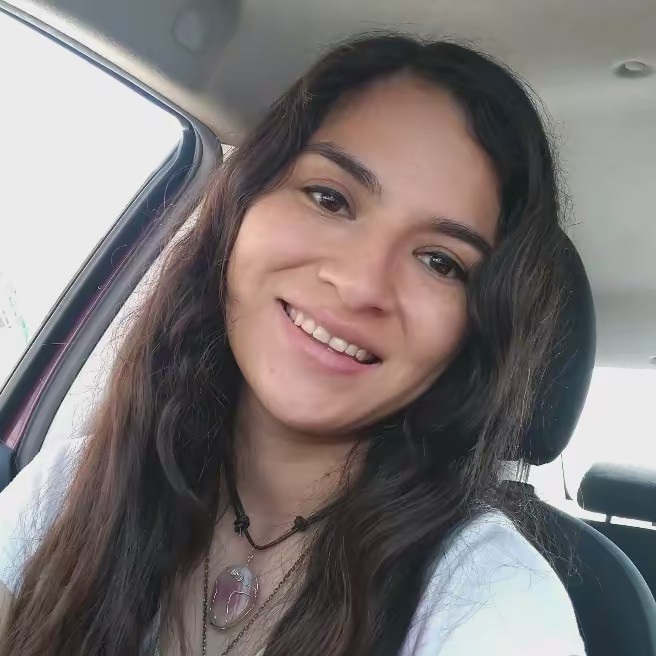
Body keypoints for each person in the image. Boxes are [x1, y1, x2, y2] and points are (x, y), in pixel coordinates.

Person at [0, 33, 585, 656]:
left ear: (475, 332)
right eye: (330, 199)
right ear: (241, 207)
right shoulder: (70, 489)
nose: (360, 284)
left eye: (440, 262)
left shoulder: (491, 601)